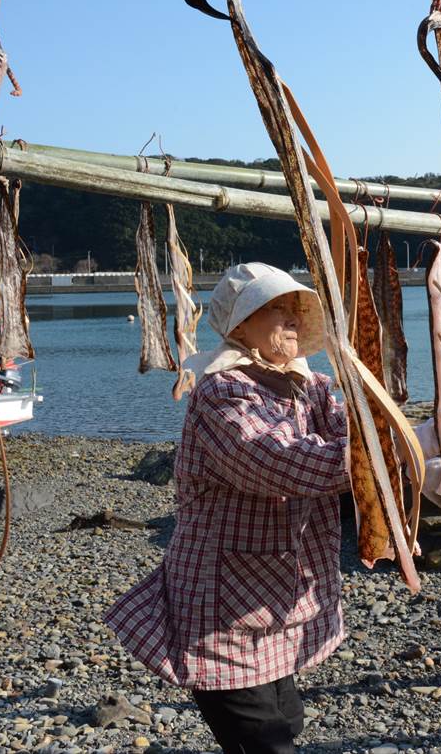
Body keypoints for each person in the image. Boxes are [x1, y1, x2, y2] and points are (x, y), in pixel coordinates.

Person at [106, 263, 351, 754]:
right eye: (274, 309)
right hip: (224, 603)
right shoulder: (223, 392)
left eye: (294, 309)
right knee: (262, 738)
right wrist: (371, 462)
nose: (291, 319)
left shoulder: (311, 386)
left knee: (287, 718)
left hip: (282, 593)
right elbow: (275, 462)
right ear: (240, 327)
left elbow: (351, 431)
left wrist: (418, 449)